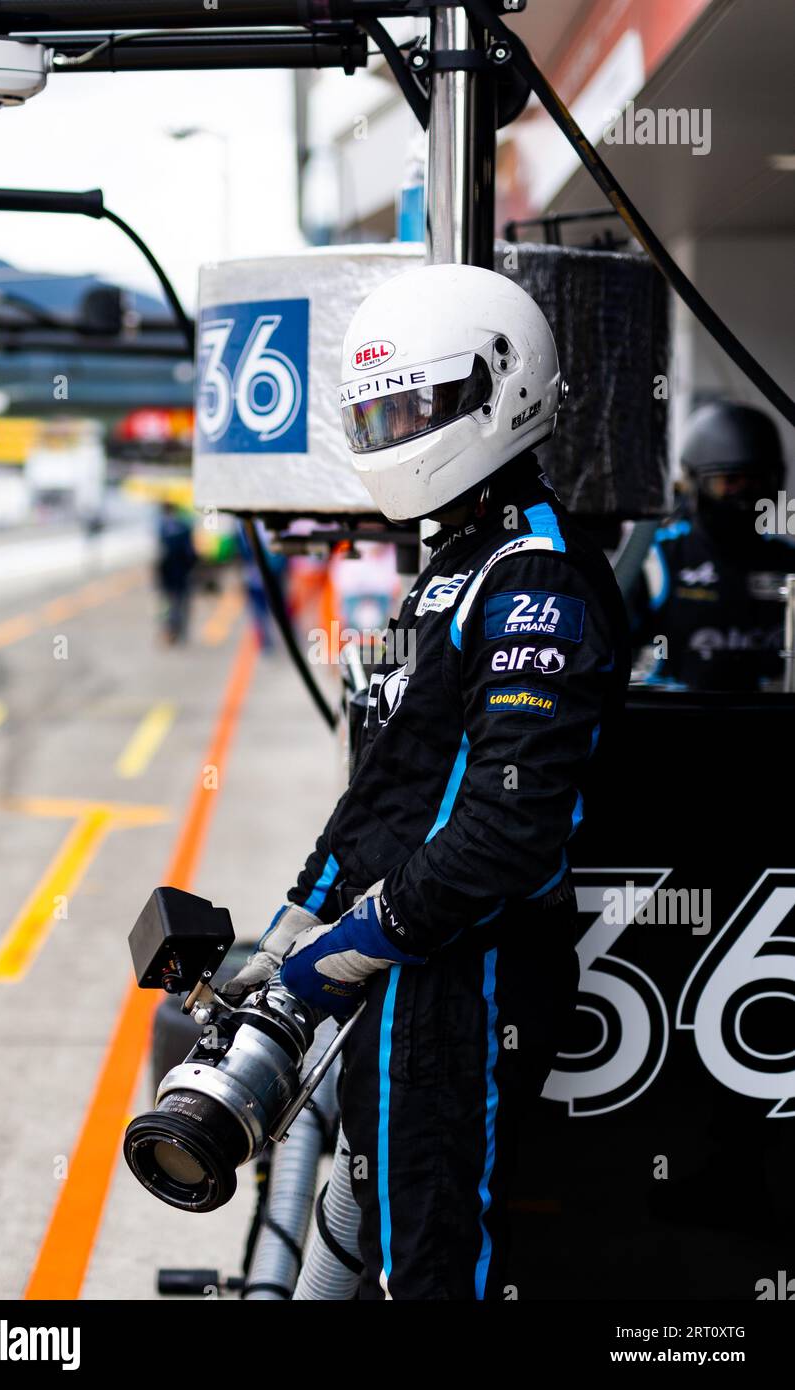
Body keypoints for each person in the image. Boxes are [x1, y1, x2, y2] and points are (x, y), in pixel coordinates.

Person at [225, 263, 631, 1300]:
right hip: (406, 973)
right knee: (376, 1246)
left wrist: (339, 956)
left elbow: (505, 830)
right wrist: (288, 928)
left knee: (436, 1267)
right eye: (377, 412)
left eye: (414, 405)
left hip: (469, 979)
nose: (395, 430)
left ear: (499, 386)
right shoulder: (455, 562)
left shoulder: (533, 570)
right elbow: (391, 783)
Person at [629, 402, 795, 689]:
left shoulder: (788, 563)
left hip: (769, 723)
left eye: (756, 483)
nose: (744, 496)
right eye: (729, 482)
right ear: (695, 482)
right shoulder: (658, 557)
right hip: (672, 720)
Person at [155, 500, 197, 644]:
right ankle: (181, 633)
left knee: (168, 604)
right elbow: (191, 553)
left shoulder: (162, 528)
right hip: (183, 572)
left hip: (167, 574)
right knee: (182, 604)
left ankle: (170, 631)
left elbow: (160, 554)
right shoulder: (185, 527)